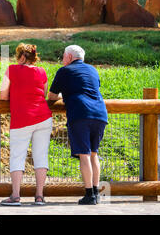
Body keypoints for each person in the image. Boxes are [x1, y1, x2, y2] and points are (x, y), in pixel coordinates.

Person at [48, 45, 108, 205]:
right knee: (94, 154)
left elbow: (52, 96)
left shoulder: (64, 71)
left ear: (68, 56)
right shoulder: (93, 70)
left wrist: (62, 94)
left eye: (63, 56)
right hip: (100, 113)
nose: (62, 59)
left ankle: (89, 194)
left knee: (84, 155)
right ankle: (96, 193)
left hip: (81, 114)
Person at [0, 43, 53, 206]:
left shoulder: (12, 70)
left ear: (22, 57)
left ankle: (15, 196)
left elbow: (3, 95)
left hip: (22, 119)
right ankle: (39, 196)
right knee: (41, 155)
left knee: (17, 156)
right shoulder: (42, 71)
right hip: (43, 117)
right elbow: (44, 93)